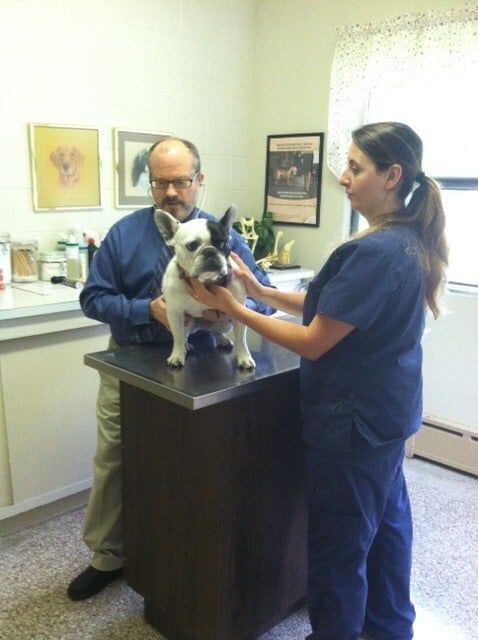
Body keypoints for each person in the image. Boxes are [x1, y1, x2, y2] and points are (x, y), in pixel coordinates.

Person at [188, 122, 448, 640]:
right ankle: (390, 629)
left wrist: (234, 307)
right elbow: (330, 308)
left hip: (352, 427)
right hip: (386, 421)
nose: (343, 177)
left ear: (392, 175)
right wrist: (259, 288)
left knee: (338, 550)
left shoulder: (375, 251)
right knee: (387, 534)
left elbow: (314, 340)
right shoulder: (404, 242)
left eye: (355, 167)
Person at [67, 137, 274, 601]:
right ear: (151, 187)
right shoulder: (124, 235)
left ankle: (186, 552)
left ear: (199, 180)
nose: (171, 192)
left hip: (204, 364)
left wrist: (232, 309)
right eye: (160, 182)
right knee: (117, 455)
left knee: (193, 465)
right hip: (130, 359)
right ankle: (107, 555)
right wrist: (148, 310)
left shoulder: (222, 232)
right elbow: (92, 299)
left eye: (180, 181)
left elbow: (263, 291)